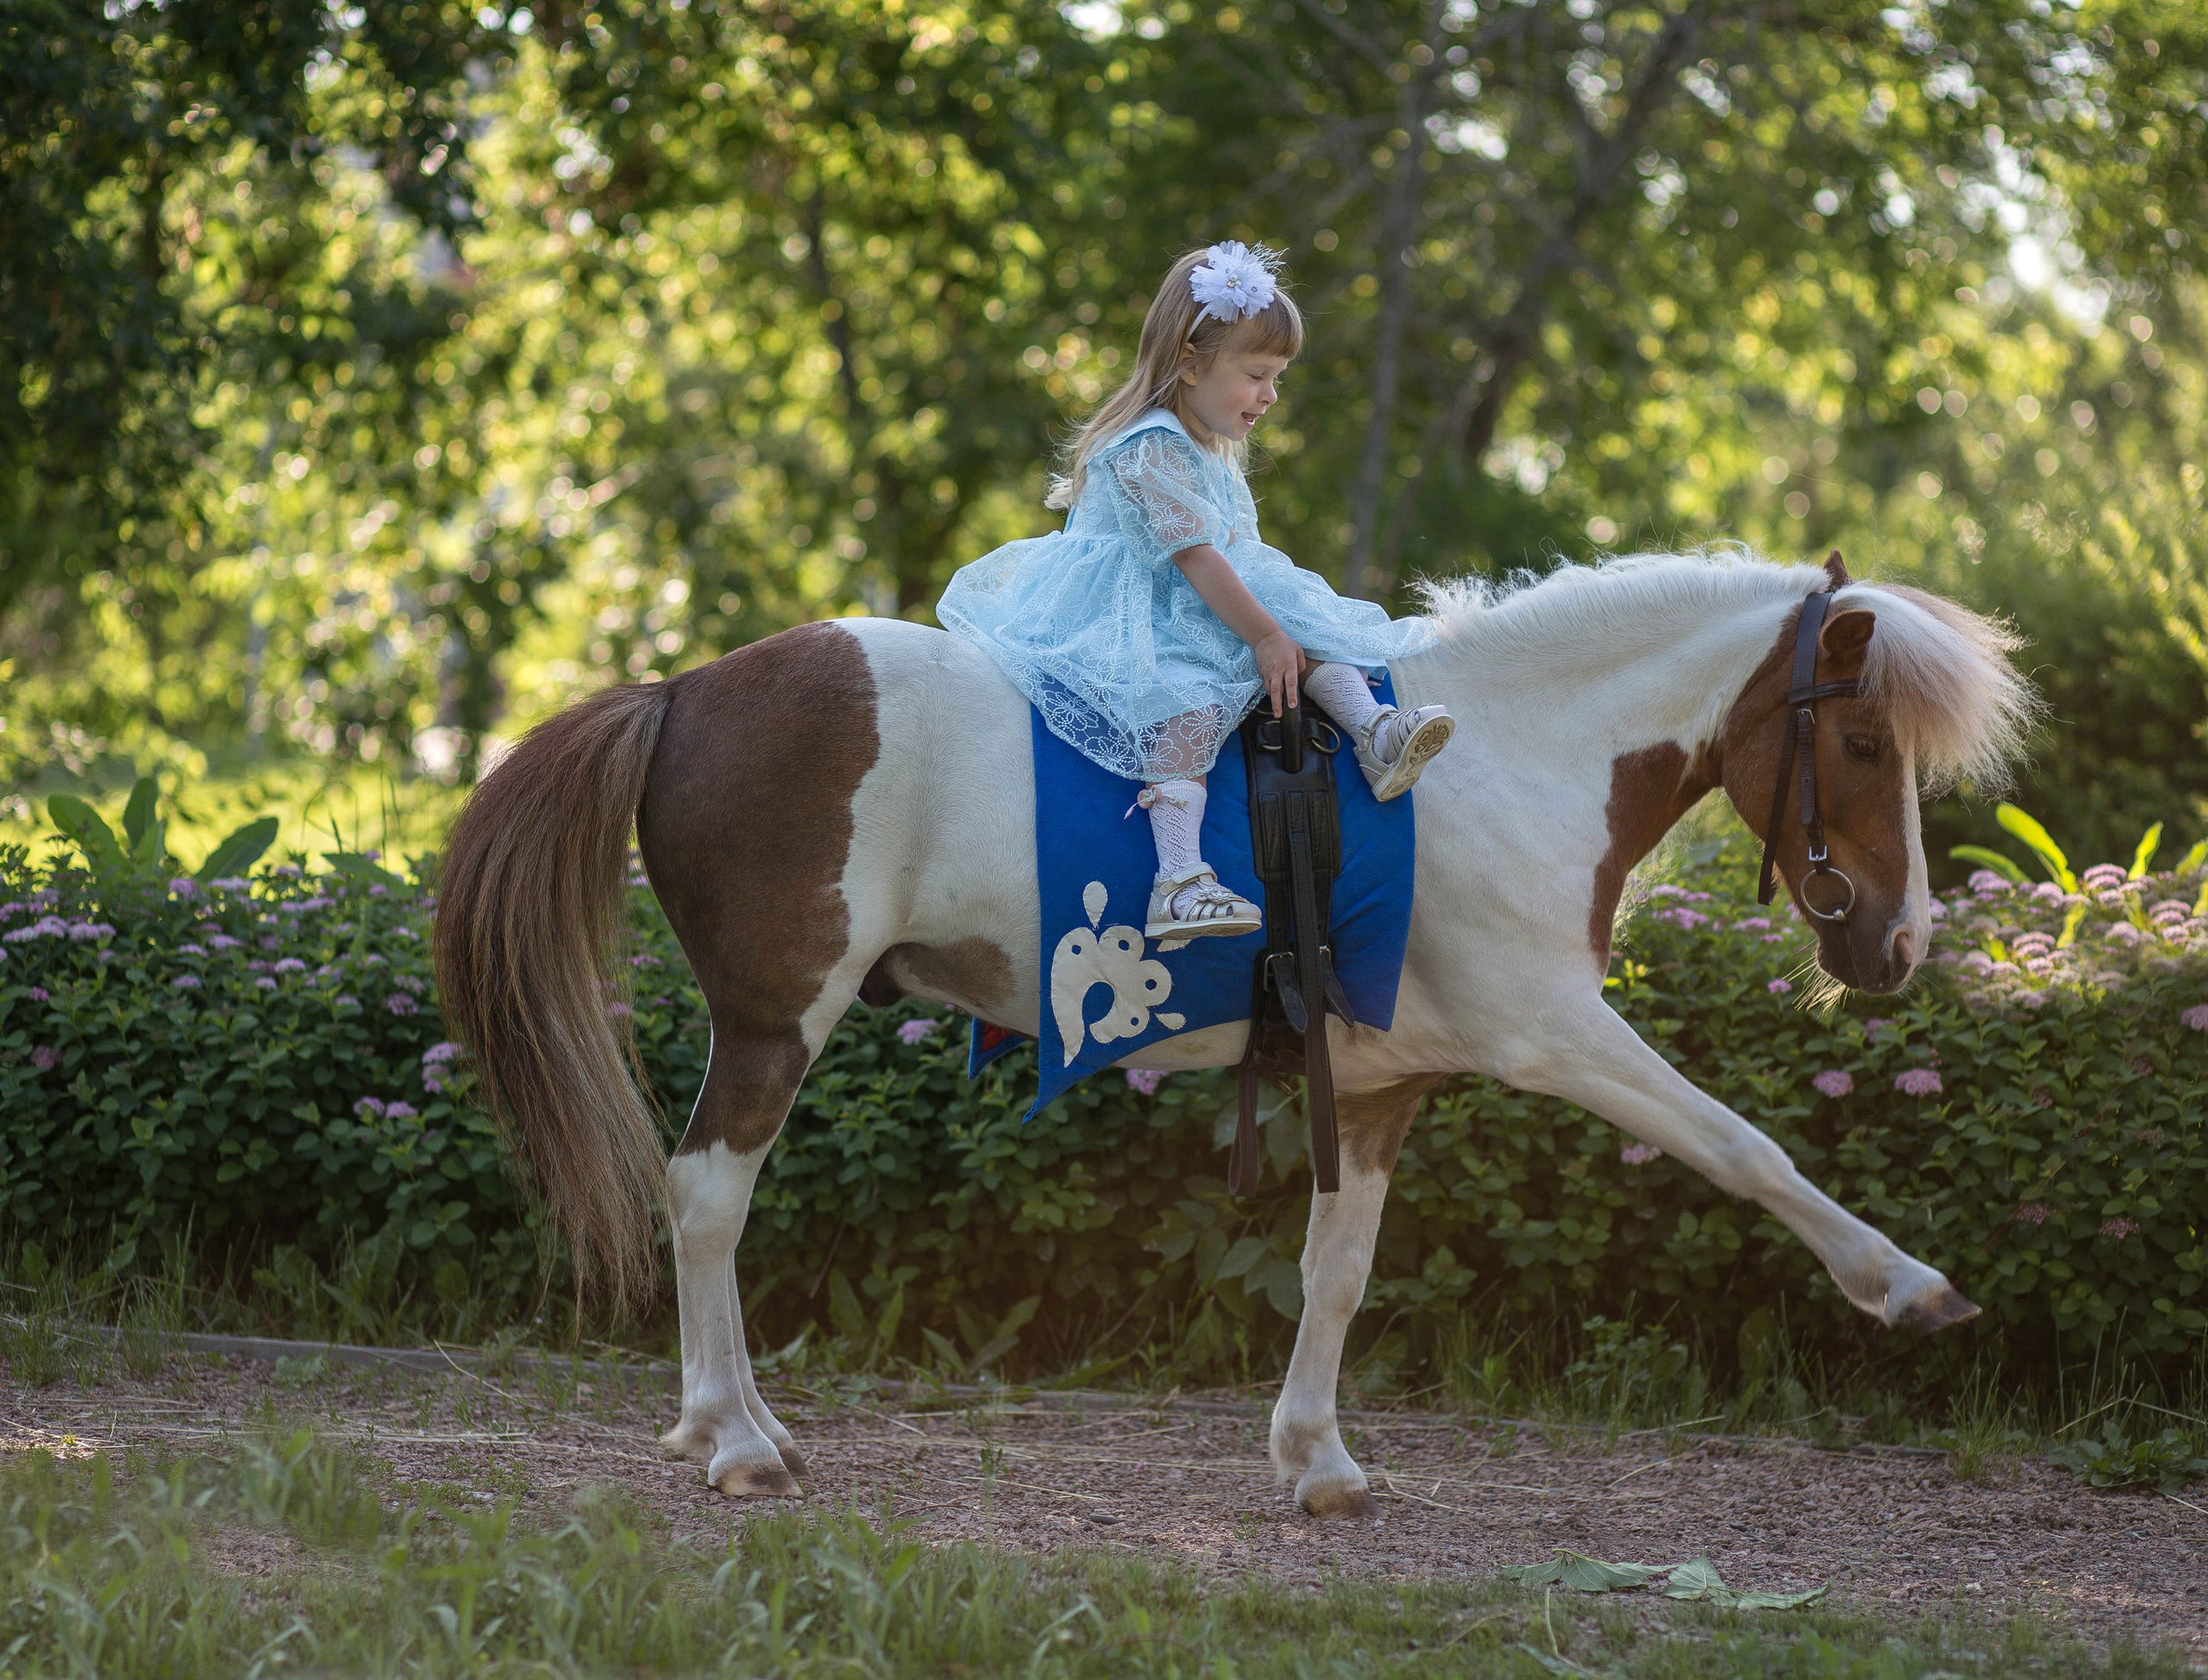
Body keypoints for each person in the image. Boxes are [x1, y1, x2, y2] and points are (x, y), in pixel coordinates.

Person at [938, 242, 1453, 943]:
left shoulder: (1212, 450)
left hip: (1191, 597)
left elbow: (1236, 557)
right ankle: (1178, 881)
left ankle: (1376, 734)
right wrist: (1264, 634)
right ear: (1188, 362)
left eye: (1277, 378)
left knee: (1309, 630)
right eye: (1256, 375)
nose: (1270, 395)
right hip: (1132, 611)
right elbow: (1195, 556)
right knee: (1185, 702)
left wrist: (1280, 628)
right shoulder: (1148, 443)